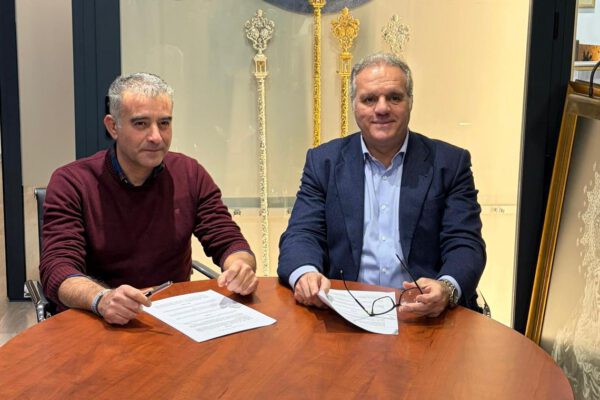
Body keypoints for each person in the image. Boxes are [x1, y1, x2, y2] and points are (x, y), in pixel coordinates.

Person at [40, 72, 258, 325]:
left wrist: (239, 266)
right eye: (141, 124)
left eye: (164, 123)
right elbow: (58, 268)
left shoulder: (190, 173)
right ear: (113, 126)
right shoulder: (72, 182)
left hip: (170, 320)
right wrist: (102, 298)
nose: (156, 137)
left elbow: (229, 241)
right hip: (95, 319)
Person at [278, 53, 486, 317]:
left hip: (423, 316)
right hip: (345, 312)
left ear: (410, 101)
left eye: (394, 97)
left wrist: (446, 287)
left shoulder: (450, 163)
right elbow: (302, 234)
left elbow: (465, 243)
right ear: (354, 105)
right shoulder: (323, 162)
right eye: (369, 99)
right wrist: (306, 274)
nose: (382, 108)